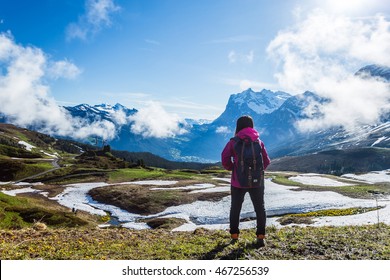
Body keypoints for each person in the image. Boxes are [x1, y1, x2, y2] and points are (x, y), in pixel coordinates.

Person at [221, 115, 270, 247]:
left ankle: (234, 235)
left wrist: (233, 169)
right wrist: (258, 173)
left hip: (238, 182)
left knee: (235, 208)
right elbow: (266, 161)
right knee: (260, 208)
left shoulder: (233, 141)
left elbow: (225, 158)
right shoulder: (258, 141)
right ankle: (260, 236)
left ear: (238, 126)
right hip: (257, 181)